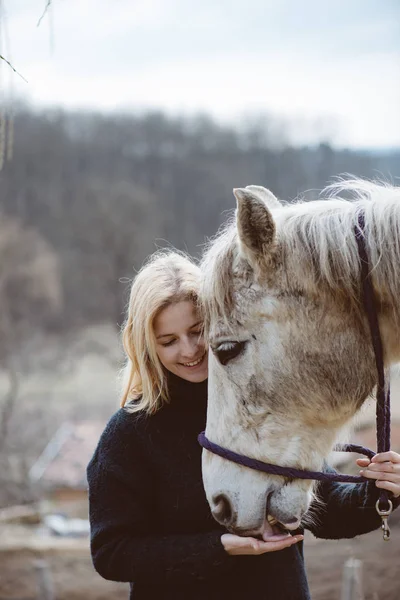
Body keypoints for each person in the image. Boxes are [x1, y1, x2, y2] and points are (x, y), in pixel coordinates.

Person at [87, 249, 400, 600]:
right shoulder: (129, 434)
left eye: (197, 330)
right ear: (147, 346)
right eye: (169, 341)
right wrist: (217, 548)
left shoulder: (267, 405)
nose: (189, 350)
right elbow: (111, 553)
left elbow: (324, 510)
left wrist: (380, 491)